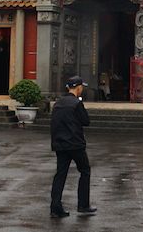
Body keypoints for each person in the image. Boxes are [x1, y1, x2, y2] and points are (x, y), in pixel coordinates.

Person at [51, 75, 95, 218]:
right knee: (85, 171)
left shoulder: (58, 103)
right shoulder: (76, 103)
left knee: (60, 174)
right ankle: (83, 205)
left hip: (60, 144)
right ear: (78, 87)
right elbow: (86, 121)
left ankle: (55, 207)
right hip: (75, 144)